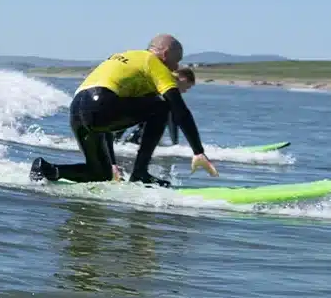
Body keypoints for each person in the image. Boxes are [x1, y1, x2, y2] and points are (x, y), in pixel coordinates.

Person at [31, 36, 218, 186]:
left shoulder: (125, 56)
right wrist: (198, 151)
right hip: (100, 105)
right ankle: (140, 173)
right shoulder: (153, 62)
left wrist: (112, 163)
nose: (176, 67)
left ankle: (47, 169)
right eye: (176, 60)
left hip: (78, 108)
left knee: (100, 174)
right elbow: (179, 109)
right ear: (165, 53)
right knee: (163, 105)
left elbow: (108, 120)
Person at [122, 67, 195, 148]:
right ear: (183, 79)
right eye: (187, 87)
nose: (185, 91)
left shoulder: (165, 81)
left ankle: (120, 141)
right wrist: (175, 145)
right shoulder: (168, 82)